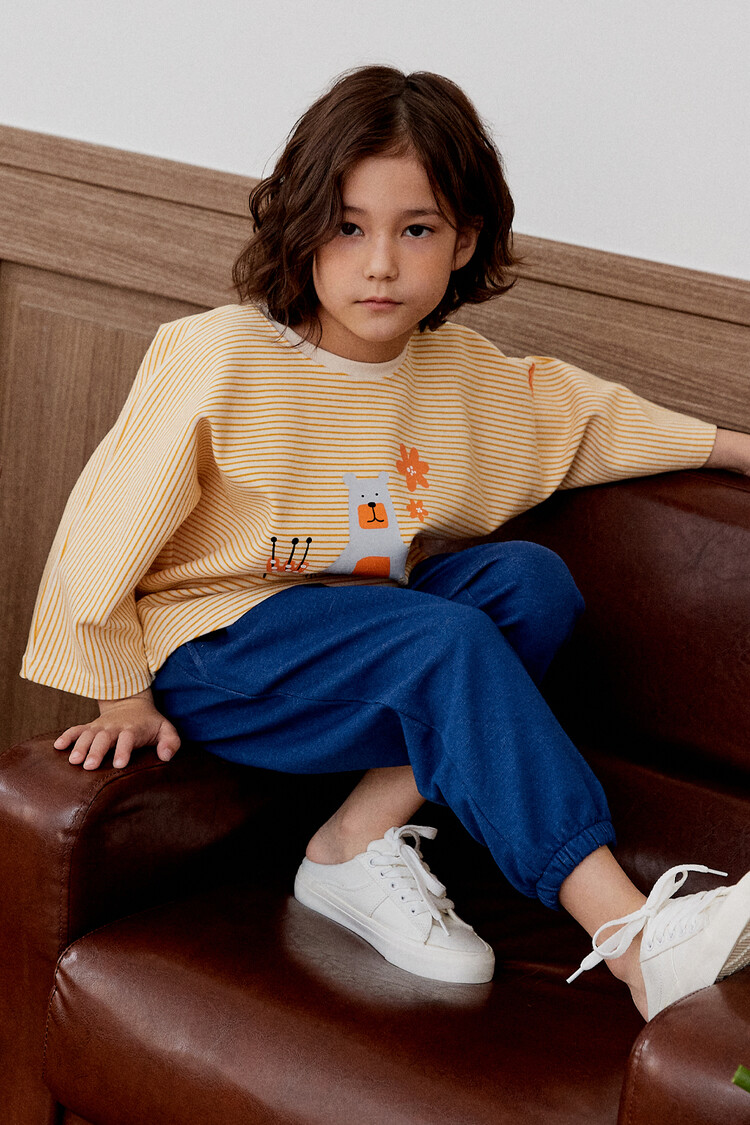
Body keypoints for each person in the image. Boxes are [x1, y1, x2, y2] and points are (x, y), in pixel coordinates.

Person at [22, 65, 750, 1021]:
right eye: (347, 227)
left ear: (464, 242)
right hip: (217, 649)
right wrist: (120, 686)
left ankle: (353, 843)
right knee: (443, 641)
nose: (379, 264)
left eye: (416, 230)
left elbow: (591, 421)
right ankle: (635, 941)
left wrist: (738, 447)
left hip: (362, 644)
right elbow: (102, 525)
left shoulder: (461, 376)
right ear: (302, 228)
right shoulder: (221, 354)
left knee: (530, 583)